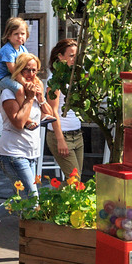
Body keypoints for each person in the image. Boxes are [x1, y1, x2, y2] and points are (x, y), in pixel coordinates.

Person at [44, 37, 84, 179]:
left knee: (75, 181)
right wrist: (60, 139)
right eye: (71, 56)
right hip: (62, 135)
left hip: (77, 134)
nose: (74, 59)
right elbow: (53, 110)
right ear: (60, 57)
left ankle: (52, 199)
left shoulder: (75, 78)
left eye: (76, 56)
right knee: (75, 181)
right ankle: (49, 198)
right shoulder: (55, 80)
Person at [0, 16, 30, 85]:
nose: (20, 36)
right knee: (20, 89)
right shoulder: (8, 50)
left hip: (14, 76)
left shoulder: (23, 49)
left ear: (27, 35)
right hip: (3, 78)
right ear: (8, 36)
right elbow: (13, 70)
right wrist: (25, 83)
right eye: (16, 34)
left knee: (38, 84)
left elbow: (28, 64)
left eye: (23, 33)